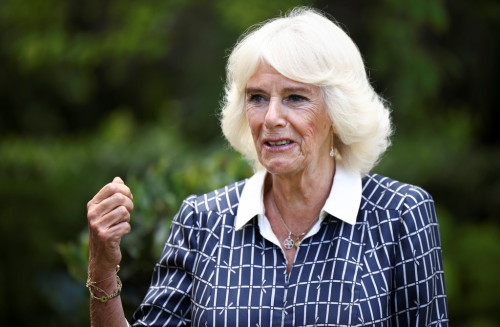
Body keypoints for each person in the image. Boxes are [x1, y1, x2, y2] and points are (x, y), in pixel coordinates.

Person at [86, 7, 448, 326]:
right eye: (258, 97)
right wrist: (102, 270)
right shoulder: (203, 221)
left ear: (338, 113)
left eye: (295, 97)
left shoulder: (399, 215)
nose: (272, 117)